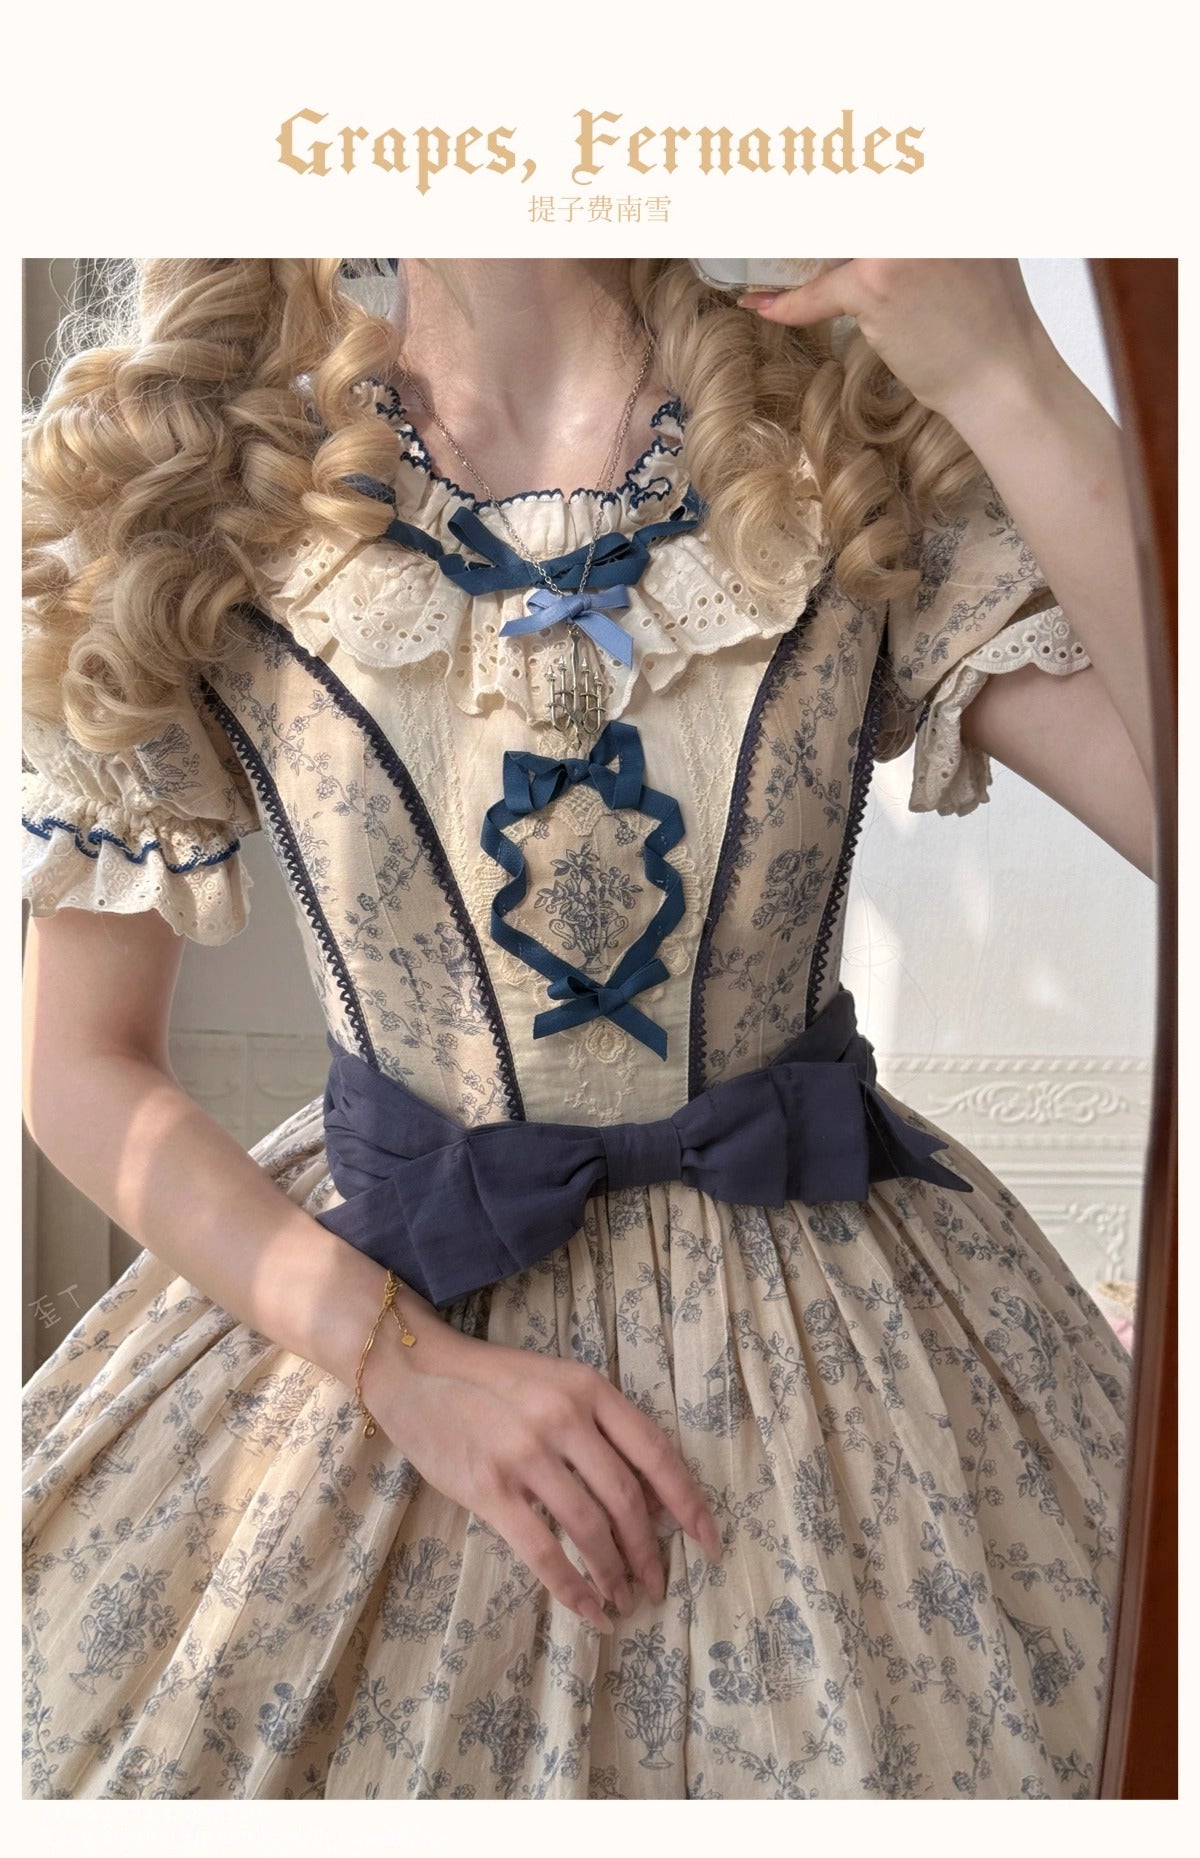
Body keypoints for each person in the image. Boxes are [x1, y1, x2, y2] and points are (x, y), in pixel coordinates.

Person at [20, 258, 1152, 1801]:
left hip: (861, 1376)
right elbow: (77, 1064)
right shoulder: (206, 470)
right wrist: (398, 1366)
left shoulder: (851, 445)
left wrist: (1011, 372)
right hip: (372, 1336)